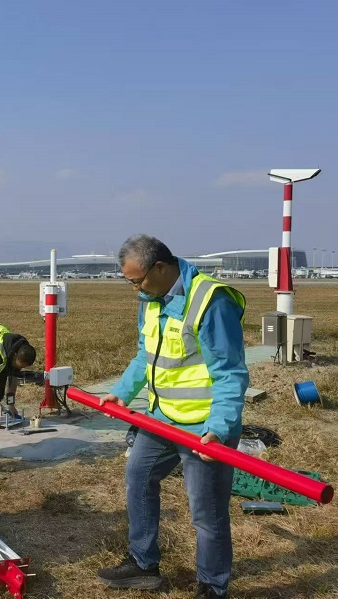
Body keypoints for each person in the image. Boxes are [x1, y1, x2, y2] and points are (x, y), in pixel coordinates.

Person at [95, 234, 248, 599]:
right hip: (161, 418)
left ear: (160, 267)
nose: (136, 288)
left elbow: (231, 373)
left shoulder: (211, 301)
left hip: (203, 428)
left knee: (206, 514)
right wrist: (122, 391)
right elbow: (144, 354)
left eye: (137, 280)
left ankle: (213, 587)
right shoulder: (150, 298)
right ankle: (143, 564)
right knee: (138, 477)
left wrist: (219, 428)